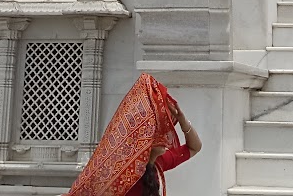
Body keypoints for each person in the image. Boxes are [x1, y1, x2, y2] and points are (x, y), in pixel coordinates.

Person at [66, 74, 200, 196]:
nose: (166, 136)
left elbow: (194, 147)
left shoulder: (159, 162)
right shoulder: (123, 169)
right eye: (160, 130)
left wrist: (182, 120)